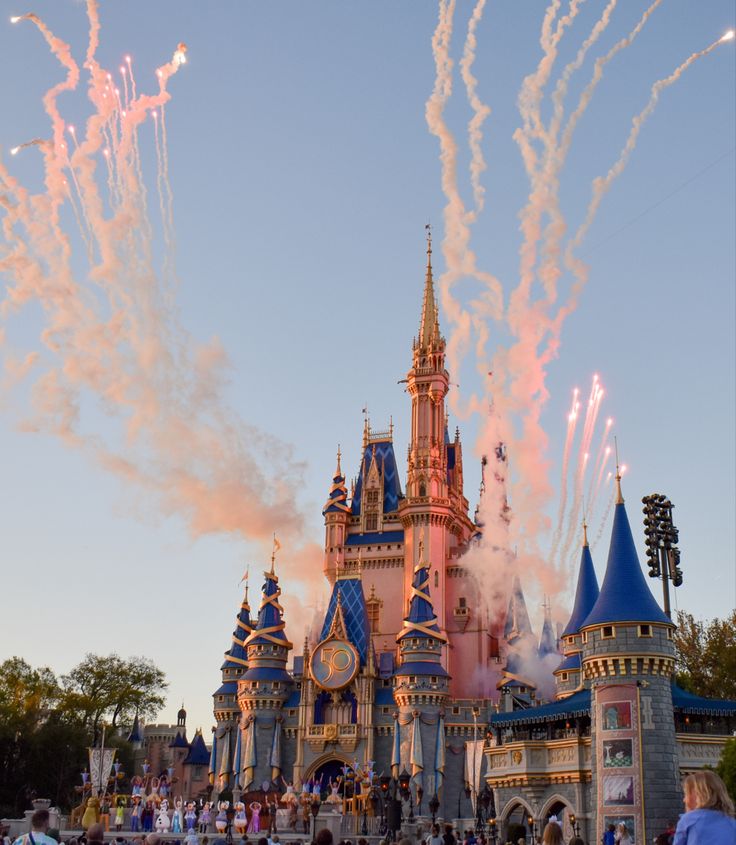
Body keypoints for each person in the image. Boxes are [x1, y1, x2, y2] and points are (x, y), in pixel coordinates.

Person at [673, 770, 736, 844]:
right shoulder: (732, 822)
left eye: (686, 794)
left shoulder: (689, 820)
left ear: (698, 795)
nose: (684, 800)